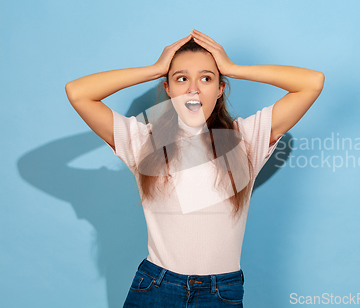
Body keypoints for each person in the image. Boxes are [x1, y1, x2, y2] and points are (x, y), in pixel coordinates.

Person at [65, 29, 324, 307]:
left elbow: (312, 82)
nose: (193, 88)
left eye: (206, 78)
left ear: (221, 87)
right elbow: (78, 93)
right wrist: (154, 69)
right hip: (156, 287)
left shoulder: (247, 138)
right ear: (168, 88)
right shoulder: (143, 140)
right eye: (181, 79)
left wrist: (233, 68)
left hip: (221, 292)